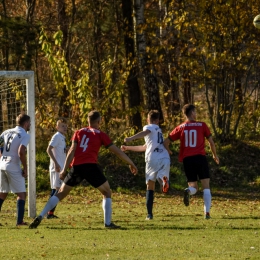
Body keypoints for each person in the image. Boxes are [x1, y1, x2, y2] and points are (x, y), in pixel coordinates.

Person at [29, 110, 138, 229]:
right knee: (107, 192)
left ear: (88, 121)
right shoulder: (100, 134)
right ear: (99, 121)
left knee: (60, 193)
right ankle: (108, 223)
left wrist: (64, 169)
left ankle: (40, 215)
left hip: (76, 167)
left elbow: (71, 151)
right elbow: (117, 152)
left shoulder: (78, 132)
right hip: (90, 166)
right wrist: (131, 163)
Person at [163, 104, 219, 219]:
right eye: (195, 111)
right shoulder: (202, 125)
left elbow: (166, 142)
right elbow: (211, 142)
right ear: (192, 113)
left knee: (193, 186)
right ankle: (207, 213)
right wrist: (214, 155)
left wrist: (169, 151)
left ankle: (188, 191)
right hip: (200, 158)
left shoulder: (181, 127)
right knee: (206, 186)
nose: (196, 114)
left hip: (187, 159)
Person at [121, 110, 170, 220]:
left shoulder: (149, 127)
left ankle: (149, 214)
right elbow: (144, 147)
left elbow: (145, 132)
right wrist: (128, 148)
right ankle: (163, 181)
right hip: (165, 157)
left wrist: (131, 138)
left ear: (149, 119)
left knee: (150, 186)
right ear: (158, 120)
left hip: (153, 158)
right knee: (162, 178)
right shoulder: (159, 131)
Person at [0, 113, 31, 226]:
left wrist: (1, 157)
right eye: (30, 123)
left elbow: (0, 144)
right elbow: (21, 152)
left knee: (2, 194)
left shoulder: (6, 132)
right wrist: (25, 167)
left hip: (2, 164)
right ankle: (20, 221)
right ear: (26, 123)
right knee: (21, 194)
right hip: (12, 165)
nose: (30, 125)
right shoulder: (25, 135)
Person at [46, 118, 68, 219]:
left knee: (57, 189)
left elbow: (60, 151)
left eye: (65, 126)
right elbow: (49, 149)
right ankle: (48, 212)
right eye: (62, 126)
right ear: (57, 127)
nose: (65, 127)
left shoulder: (62, 137)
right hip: (57, 167)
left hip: (60, 166)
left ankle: (49, 212)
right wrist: (55, 163)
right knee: (58, 190)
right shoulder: (57, 136)